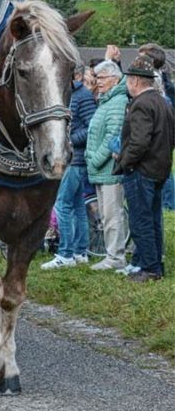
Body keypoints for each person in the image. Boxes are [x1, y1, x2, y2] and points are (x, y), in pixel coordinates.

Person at [113, 56, 175, 282]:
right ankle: (156, 264)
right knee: (153, 220)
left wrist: (124, 162)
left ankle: (150, 268)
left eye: (128, 79)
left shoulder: (140, 104)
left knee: (141, 221)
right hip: (160, 168)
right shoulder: (162, 102)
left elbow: (139, 142)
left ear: (136, 81)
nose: (127, 83)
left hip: (141, 170)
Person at [41, 64, 97, 269]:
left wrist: (69, 141)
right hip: (73, 159)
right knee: (77, 206)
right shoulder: (70, 94)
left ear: (77, 75)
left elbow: (91, 126)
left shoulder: (83, 96)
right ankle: (81, 252)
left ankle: (66, 254)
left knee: (62, 204)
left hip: (75, 159)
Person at [85, 60, 128, 270]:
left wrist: (94, 159)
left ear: (114, 79)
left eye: (101, 78)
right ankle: (111, 254)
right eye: (96, 77)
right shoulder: (105, 101)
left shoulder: (118, 102)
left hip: (110, 169)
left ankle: (116, 257)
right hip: (100, 170)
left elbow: (113, 136)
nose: (97, 82)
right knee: (105, 215)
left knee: (113, 215)